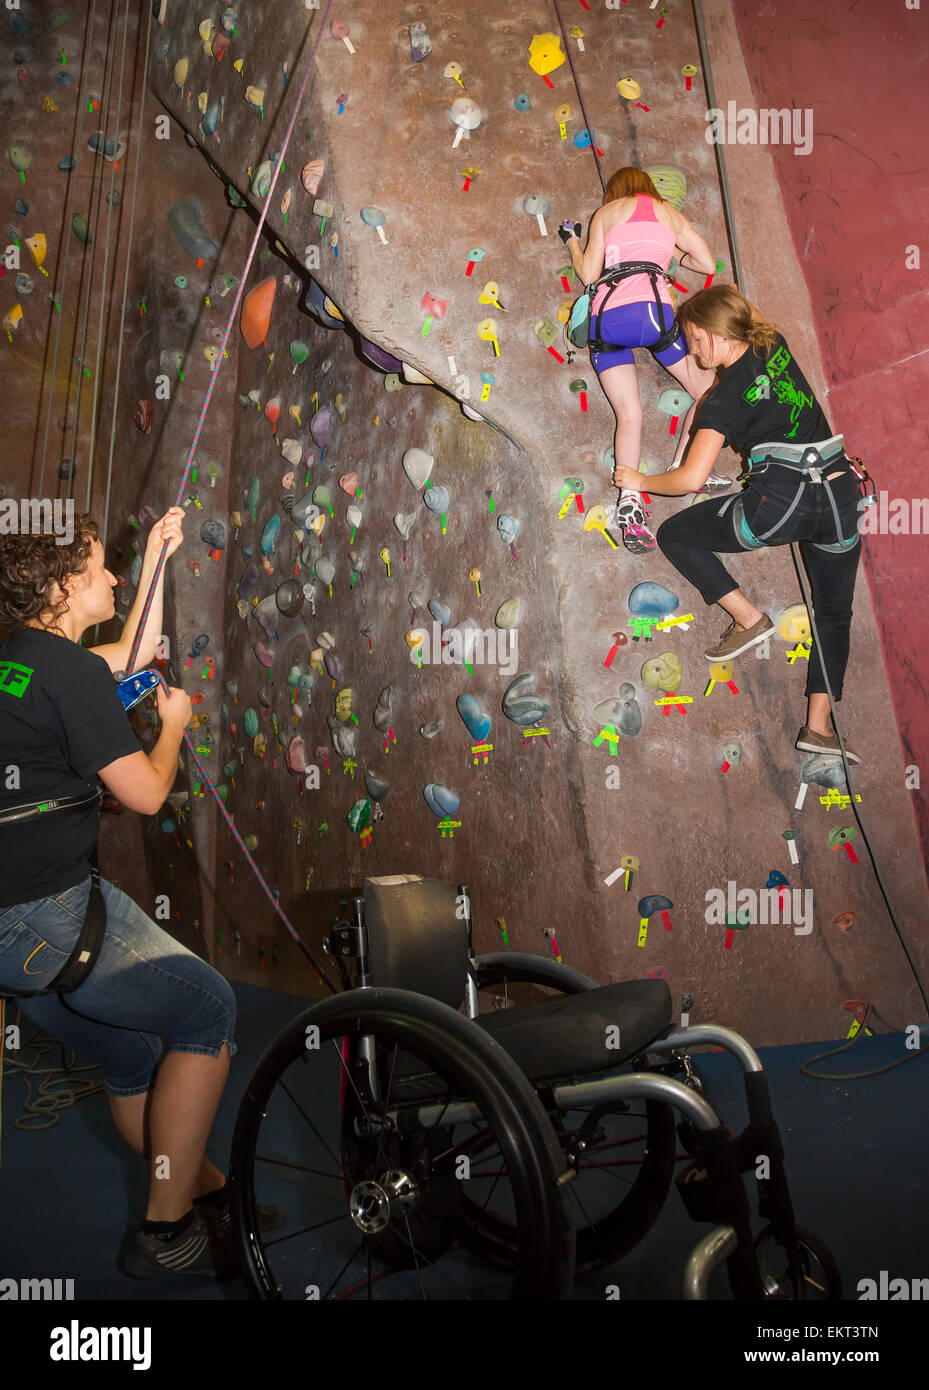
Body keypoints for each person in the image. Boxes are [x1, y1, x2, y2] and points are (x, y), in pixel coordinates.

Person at [0, 507, 281, 1279]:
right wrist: (174, 724)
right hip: (49, 916)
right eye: (100, 568)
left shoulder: (21, 661)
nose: (114, 579)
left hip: (12, 942)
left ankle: (206, 1191)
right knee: (208, 1010)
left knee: (127, 1051)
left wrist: (158, 556)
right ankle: (165, 1231)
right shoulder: (66, 672)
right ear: (64, 586)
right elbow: (149, 795)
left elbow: (132, 654)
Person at [612, 283, 867, 763]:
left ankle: (748, 618)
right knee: (834, 613)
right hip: (841, 499)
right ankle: (817, 727)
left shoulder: (722, 399)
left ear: (715, 332)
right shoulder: (774, 344)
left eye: (695, 338)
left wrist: (640, 480)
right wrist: (696, 300)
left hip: (779, 508)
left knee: (674, 534)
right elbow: (736, 301)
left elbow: (691, 480)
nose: (693, 351)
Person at [559, 166, 729, 556]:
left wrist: (572, 240)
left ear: (615, 192)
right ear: (650, 187)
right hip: (653, 316)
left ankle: (630, 502)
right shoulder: (669, 213)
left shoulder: (606, 213)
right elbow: (707, 264)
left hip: (607, 320)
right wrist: (672, 256)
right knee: (707, 391)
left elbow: (588, 274)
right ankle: (684, 465)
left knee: (629, 414)